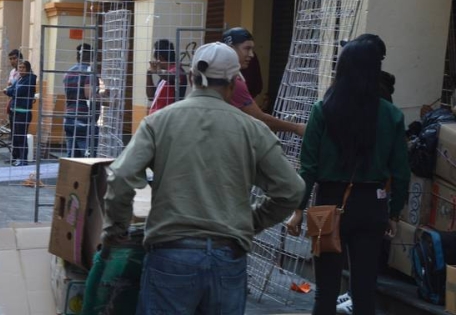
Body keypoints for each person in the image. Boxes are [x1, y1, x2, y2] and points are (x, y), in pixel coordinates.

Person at [102, 42, 306, 314]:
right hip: (228, 256)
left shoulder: (158, 122)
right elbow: (292, 190)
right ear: (234, 84)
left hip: (170, 255)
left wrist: (115, 230)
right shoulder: (253, 130)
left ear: (190, 78)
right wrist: (252, 221)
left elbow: (121, 177)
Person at [285, 34, 410, 315]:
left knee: (326, 291)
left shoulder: (322, 110)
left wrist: (298, 209)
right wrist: (394, 212)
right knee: (364, 290)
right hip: (371, 205)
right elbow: (401, 171)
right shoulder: (391, 115)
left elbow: (308, 167)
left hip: (328, 203)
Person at [222, 27, 306, 136]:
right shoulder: (233, 81)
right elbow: (260, 119)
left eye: (252, 49)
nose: (251, 54)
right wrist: (296, 128)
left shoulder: (214, 72)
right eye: (247, 48)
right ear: (230, 49)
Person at [63, 43, 99, 157]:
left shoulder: (68, 73)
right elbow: (89, 95)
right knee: (88, 157)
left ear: (77, 56)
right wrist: (104, 96)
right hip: (83, 119)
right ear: (92, 56)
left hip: (69, 117)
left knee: (72, 157)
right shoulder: (89, 72)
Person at [4, 60, 37, 166]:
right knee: (15, 136)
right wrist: (11, 91)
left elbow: (17, 91)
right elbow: (12, 89)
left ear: (28, 68)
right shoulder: (20, 79)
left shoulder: (30, 79)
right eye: (19, 68)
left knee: (21, 136)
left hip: (23, 112)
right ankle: (16, 157)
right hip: (15, 111)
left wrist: (10, 91)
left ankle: (23, 159)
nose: (21, 70)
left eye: (23, 67)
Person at [146, 39, 187, 114]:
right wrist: (149, 75)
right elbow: (151, 97)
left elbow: (170, 76)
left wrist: (158, 71)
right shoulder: (164, 75)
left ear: (160, 58)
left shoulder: (177, 70)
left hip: (168, 119)